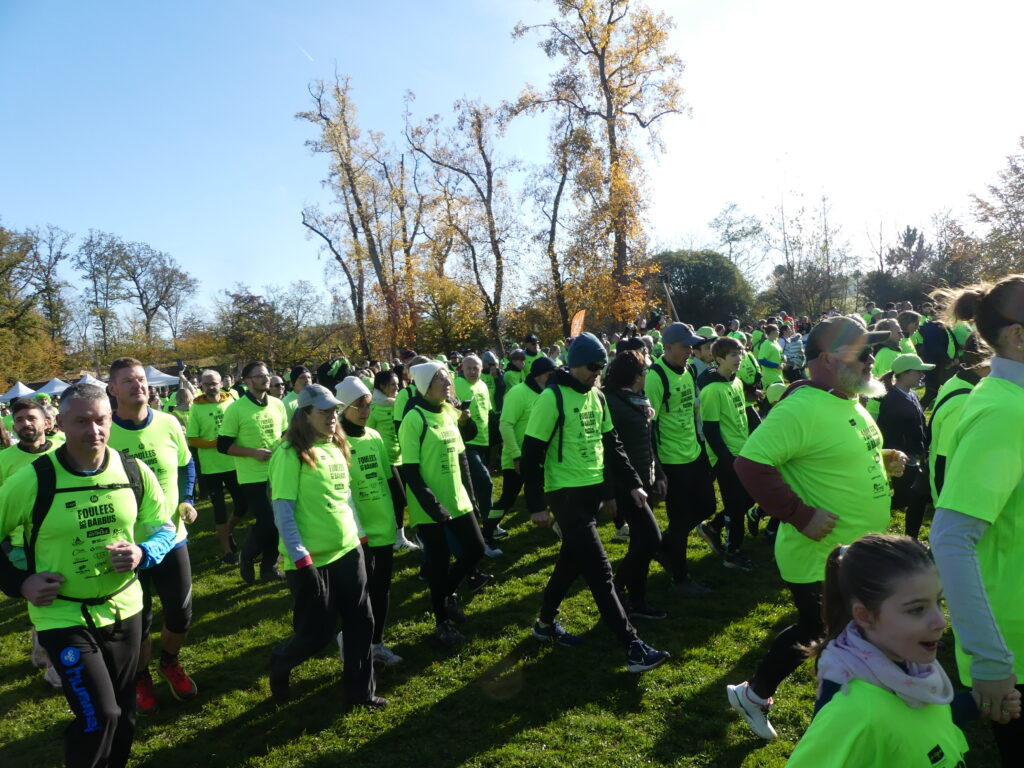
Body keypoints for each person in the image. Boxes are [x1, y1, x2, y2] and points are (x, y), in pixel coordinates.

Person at [726, 316, 908, 739]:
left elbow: (835, 455)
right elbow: (749, 465)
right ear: (827, 359)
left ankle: (756, 695)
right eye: (862, 352)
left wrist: (882, 460)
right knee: (843, 644)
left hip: (852, 553)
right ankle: (837, 733)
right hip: (819, 556)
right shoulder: (802, 407)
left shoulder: (849, 400)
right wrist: (799, 514)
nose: (871, 360)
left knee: (826, 633)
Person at [0, 383, 175, 768]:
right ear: (60, 423)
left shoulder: (132, 470)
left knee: (124, 713)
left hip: (125, 608)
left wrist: (143, 552)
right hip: (62, 615)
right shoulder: (33, 479)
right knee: (100, 716)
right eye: (81, 421)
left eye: (101, 420)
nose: (93, 430)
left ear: (111, 420)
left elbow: (164, 526)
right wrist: (20, 583)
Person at [521, 332, 669, 673]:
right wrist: (536, 505)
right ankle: (633, 646)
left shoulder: (597, 396)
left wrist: (633, 484)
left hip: (591, 491)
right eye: (592, 366)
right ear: (574, 364)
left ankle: (544, 624)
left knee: (570, 563)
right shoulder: (552, 398)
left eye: (601, 366)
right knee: (601, 571)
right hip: (565, 494)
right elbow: (530, 455)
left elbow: (612, 444)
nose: (597, 372)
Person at [787, 534, 993, 767]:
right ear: (865, 616)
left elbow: (912, 723)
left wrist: (975, 703)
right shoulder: (853, 712)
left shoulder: (913, 666)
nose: (940, 622)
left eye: (939, 602)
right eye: (916, 610)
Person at [931, 275, 1024, 767]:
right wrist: (990, 661)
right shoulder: (1004, 413)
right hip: (1016, 648)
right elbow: (950, 539)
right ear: (1018, 336)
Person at [267, 384, 384, 708]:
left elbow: (345, 499)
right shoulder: (289, 453)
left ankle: (361, 693)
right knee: (317, 633)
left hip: (348, 549)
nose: (333, 416)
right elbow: (283, 511)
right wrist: (300, 559)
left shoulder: (336, 446)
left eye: (335, 410)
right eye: (325, 411)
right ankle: (281, 661)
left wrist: (361, 538)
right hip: (312, 560)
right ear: (305, 415)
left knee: (362, 622)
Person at [106, 358, 199, 715]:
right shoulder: (105, 431)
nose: (138, 385)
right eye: (128, 381)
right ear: (113, 389)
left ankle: (169, 662)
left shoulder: (168, 422)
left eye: (141, 379)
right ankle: (141, 675)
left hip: (171, 536)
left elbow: (186, 463)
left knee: (181, 614)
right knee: (139, 622)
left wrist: (187, 498)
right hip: (128, 544)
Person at [399, 361, 485, 649]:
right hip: (429, 506)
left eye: (448, 378)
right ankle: (442, 623)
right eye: (442, 379)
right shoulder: (414, 419)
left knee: (476, 549)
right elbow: (411, 471)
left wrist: (471, 497)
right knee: (438, 564)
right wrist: (433, 506)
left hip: (457, 498)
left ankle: (447, 594)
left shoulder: (449, 411)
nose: (449, 384)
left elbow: (462, 457)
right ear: (426, 386)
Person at [336, 376, 403, 666]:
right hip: (357, 530)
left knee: (381, 587)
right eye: (358, 406)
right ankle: (351, 640)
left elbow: (388, 477)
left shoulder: (374, 436)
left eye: (367, 405)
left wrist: (398, 517)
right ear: (343, 408)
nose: (365, 412)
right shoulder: (336, 442)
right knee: (359, 591)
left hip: (383, 523)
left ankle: (377, 643)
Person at [646, 322, 717, 595]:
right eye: (685, 346)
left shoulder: (688, 370)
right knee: (679, 519)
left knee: (707, 506)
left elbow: (690, 413)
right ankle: (681, 578)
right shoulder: (656, 377)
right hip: (672, 461)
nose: (690, 350)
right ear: (668, 347)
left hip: (694, 453)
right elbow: (648, 427)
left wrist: (701, 445)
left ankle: (664, 545)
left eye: (692, 346)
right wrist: (657, 468)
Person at [602, 350, 667, 620]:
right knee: (651, 539)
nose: (647, 375)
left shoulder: (639, 400)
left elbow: (647, 441)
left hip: (644, 480)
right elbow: (607, 452)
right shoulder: (612, 403)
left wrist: (659, 473)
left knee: (640, 542)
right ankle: (616, 590)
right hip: (626, 484)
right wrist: (609, 494)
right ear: (635, 376)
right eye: (644, 371)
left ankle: (636, 600)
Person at [218, 361, 289, 584]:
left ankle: (269, 568)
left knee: (278, 521)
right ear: (247, 381)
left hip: (278, 473)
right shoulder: (236, 409)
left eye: (267, 374)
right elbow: (223, 445)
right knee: (267, 521)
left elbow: (284, 433)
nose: (266, 379)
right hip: (252, 476)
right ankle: (247, 556)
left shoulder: (277, 404)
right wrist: (253, 453)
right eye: (259, 376)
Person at [696, 337, 757, 571]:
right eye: (733, 355)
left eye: (740, 353)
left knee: (749, 498)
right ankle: (732, 553)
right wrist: (727, 459)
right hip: (725, 457)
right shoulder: (712, 390)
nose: (739, 358)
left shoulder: (737, 382)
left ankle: (712, 527)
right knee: (735, 505)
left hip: (743, 451)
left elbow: (745, 413)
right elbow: (710, 430)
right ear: (719, 359)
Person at [186, 369, 247, 565]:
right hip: (211, 467)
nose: (211, 387)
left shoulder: (232, 401)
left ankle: (226, 531)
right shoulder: (196, 408)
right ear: (201, 386)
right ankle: (227, 551)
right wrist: (217, 443)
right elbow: (192, 439)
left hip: (233, 462)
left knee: (243, 505)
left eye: (214, 383)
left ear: (221, 383)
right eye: (206, 384)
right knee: (219, 509)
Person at [490, 356, 556, 532]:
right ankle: (487, 531)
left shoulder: (548, 393)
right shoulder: (518, 392)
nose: (554, 377)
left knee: (554, 492)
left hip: (539, 457)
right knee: (508, 499)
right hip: (516, 459)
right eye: (550, 374)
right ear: (539, 375)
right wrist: (517, 456)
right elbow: (505, 425)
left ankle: (561, 527)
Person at [877, 354, 934, 540]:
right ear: (904, 373)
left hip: (915, 455)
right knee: (906, 499)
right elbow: (888, 432)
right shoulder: (892, 400)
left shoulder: (912, 394)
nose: (922, 375)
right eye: (918, 371)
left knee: (916, 498)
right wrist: (898, 457)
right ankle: (872, 511)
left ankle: (911, 539)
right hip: (903, 458)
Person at [928, 333, 988, 504]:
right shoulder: (964, 401)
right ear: (983, 361)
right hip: (956, 500)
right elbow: (944, 461)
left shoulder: (960, 381)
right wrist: (945, 507)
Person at [366, 369, 418, 552]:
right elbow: (367, 434)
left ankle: (398, 534)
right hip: (386, 460)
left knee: (403, 498)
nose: (397, 388)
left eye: (398, 384)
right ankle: (398, 538)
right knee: (399, 498)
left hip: (402, 457)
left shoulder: (399, 404)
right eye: (393, 385)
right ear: (382, 386)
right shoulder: (373, 408)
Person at [453, 355, 496, 556]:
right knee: (485, 482)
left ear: (481, 368)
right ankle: (489, 526)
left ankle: (483, 525)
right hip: (465, 442)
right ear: (462, 368)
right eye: (468, 368)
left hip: (483, 442)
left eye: (475, 368)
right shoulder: (456, 385)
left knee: (478, 486)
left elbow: (487, 412)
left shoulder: (483, 386)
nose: (472, 371)